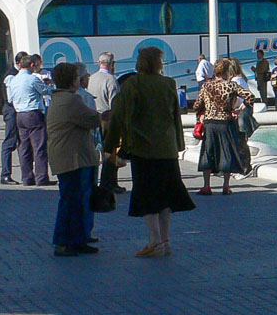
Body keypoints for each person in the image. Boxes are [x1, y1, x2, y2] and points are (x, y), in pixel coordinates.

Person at [106, 45, 195, 258]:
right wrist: (178, 144)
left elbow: (117, 117)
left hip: (142, 149)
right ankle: (165, 240)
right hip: (167, 149)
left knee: (147, 195)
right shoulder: (168, 84)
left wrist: (110, 147)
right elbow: (176, 117)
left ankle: (154, 240)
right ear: (158, 63)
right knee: (166, 196)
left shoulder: (132, 84)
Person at [46, 61, 103, 257]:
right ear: (73, 80)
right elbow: (94, 119)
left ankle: (76, 240)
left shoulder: (58, 98)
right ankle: (63, 242)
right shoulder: (71, 100)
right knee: (72, 201)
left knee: (74, 200)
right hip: (73, 158)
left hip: (67, 156)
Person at [194, 57, 248, 196]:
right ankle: (226, 186)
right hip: (226, 122)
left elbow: (196, 105)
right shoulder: (231, 86)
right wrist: (238, 109)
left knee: (208, 152)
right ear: (227, 71)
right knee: (226, 152)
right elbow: (250, 97)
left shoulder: (206, 85)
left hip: (210, 123)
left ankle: (206, 186)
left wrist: (204, 109)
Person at [7, 53, 52, 185]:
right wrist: (49, 86)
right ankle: (41, 177)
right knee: (39, 146)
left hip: (19, 115)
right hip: (33, 113)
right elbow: (46, 91)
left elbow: (10, 98)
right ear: (31, 65)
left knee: (24, 147)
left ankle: (27, 178)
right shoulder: (32, 79)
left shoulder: (13, 80)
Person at [85, 51, 121, 192]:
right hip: (108, 118)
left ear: (99, 63)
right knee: (110, 152)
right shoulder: (111, 80)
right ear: (112, 64)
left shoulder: (92, 78)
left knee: (97, 151)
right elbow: (115, 103)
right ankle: (110, 183)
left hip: (94, 116)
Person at [0, 53, 26, 184]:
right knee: (10, 141)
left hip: (18, 110)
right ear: (19, 63)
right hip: (12, 111)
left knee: (23, 142)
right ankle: (5, 174)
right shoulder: (11, 75)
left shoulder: (18, 74)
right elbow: (9, 98)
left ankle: (27, 174)